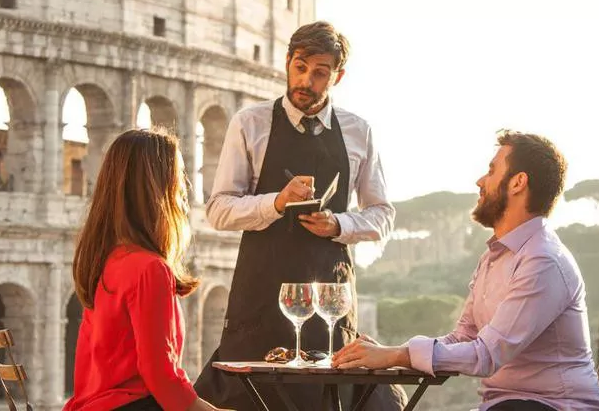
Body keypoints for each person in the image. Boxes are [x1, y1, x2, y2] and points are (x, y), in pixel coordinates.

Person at [194, 21, 396, 410]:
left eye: (320, 73)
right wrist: (276, 203)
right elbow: (218, 210)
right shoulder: (249, 123)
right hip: (260, 298)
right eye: (300, 67)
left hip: (330, 300)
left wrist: (340, 224)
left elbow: (383, 214)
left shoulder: (359, 131)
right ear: (288, 62)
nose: (306, 81)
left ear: (337, 76)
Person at [332, 130, 599, 411]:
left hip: (555, 406)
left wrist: (396, 355)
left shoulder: (543, 261)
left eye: (491, 171)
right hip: (504, 405)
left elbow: (487, 354)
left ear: (518, 182)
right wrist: (389, 352)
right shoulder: (494, 257)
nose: (480, 181)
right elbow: (462, 338)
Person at [64, 128, 232, 411]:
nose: (183, 189)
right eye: (178, 178)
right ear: (158, 189)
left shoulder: (106, 260)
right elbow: (160, 374)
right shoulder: (150, 269)